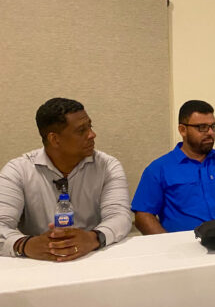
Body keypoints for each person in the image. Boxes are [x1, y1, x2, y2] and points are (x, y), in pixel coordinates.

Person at [0, 98, 132, 260]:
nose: (92, 135)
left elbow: (120, 216)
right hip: (37, 263)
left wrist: (93, 238)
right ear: (54, 139)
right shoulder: (18, 171)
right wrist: (25, 244)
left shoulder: (107, 166)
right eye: (81, 130)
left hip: (93, 257)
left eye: (90, 126)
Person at [132, 100, 215, 234]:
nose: (210, 132)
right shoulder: (158, 169)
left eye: (213, 126)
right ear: (183, 130)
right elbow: (143, 216)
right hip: (185, 244)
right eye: (202, 127)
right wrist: (168, 244)